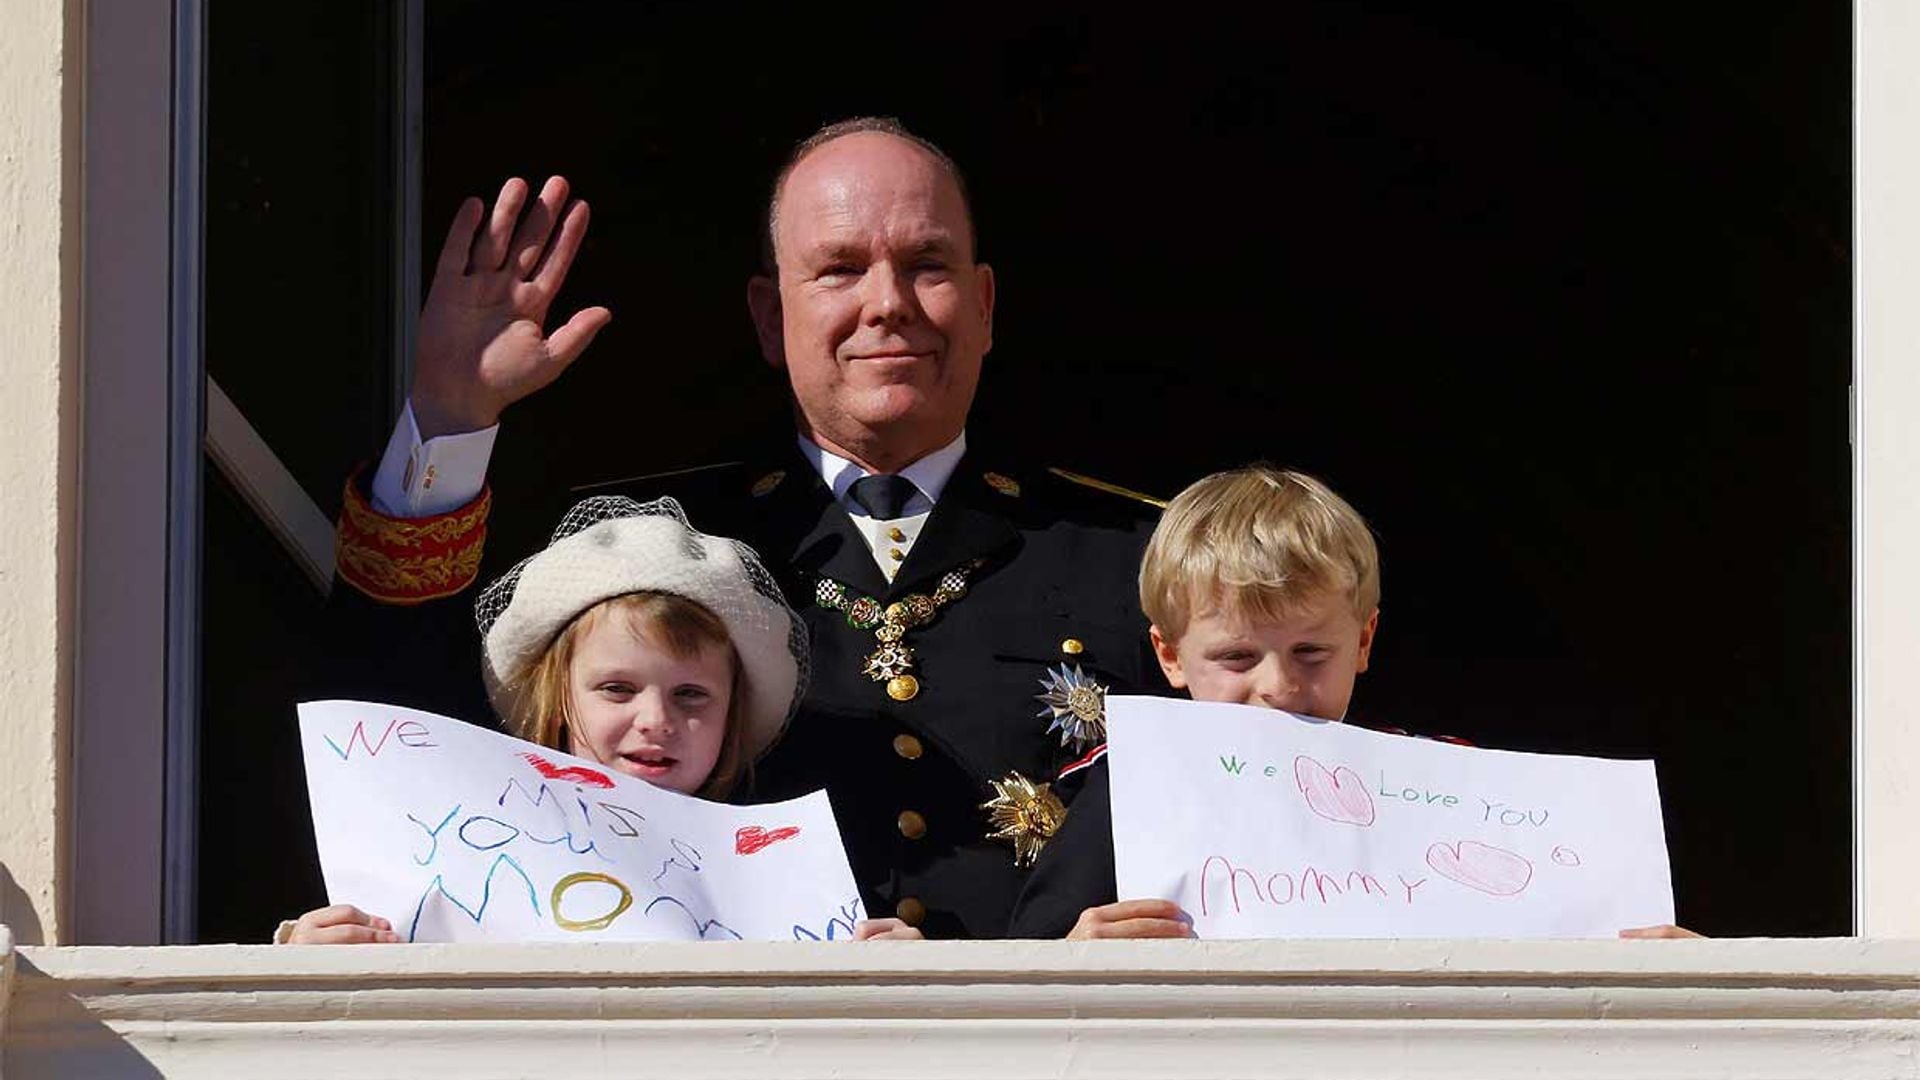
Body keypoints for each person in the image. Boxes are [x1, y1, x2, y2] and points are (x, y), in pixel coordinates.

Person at [327, 117, 1166, 940]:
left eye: (927, 265)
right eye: (840, 269)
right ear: (769, 317)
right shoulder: (643, 543)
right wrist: (450, 417)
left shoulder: (1137, 557)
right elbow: (402, 731)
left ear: (983, 306)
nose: (888, 303)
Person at [1005, 465, 1699, 940]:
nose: (1276, 686)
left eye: (1312, 653)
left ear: (1364, 640)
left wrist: (1663, 962)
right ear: (1169, 656)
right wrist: (1071, 952)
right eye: (1236, 657)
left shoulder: (1447, 778)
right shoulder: (1126, 786)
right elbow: (1014, 982)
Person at [289, 496, 920, 943]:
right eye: (617, 688)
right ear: (558, 700)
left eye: (692, 696)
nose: (656, 719)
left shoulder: (795, 881)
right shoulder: (451, 846)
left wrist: (894, 982)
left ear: (733, 715)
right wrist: (312, 963)